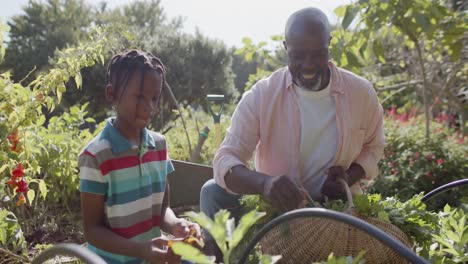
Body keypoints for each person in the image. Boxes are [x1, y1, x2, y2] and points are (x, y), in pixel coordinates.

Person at [200, 7, 385, 258]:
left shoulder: (361, 94)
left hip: (337, 213)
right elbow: (225, 160)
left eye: (318, 54)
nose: (308, 65)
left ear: (329, 44)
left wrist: (348, 178)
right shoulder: (262, 95)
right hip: (276, 214)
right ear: (285, 47)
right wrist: (265, 184)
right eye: (298, 55)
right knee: (212, 192)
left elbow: (374, 148)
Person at [79, 49, 200, 264]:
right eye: (139, 96)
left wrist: (176, 225)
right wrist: (140, 250)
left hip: (152, 257)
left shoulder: (159, 146)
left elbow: (162, 210)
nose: (149, 106)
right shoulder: (96, 156)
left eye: (154, 98)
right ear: (111, 93)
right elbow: (92, 230)